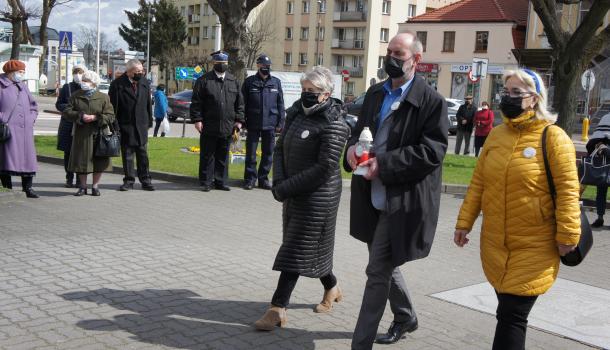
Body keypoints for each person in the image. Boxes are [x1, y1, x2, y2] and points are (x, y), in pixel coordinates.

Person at [454, 69, 581, 350]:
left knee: (512, 316)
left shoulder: (554, 137)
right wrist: (464, 223)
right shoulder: (497, 136)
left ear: (534, 99)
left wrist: (568, 236)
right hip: (496, 243)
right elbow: (478, 183)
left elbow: (568, 191)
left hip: (534, 244)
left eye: (516, 93)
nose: (507, 98)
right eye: (505, 91)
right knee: (506, 312)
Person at [344, 32, 448, 349]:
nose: (391, 58)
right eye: (388, 51)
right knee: (383, 261)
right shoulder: (375, 94)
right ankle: (405, 315)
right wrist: (350, 153)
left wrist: (384, 165)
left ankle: (359, 345)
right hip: (370, 195)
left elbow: (432, 152)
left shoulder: (431, 101)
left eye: (398, 53)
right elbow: (359, 134)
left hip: (401, 200)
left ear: (416, 59)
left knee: (377, 271)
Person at [254, 66, 349, 331]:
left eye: (313, 91)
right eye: (305, 89)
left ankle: (277, 309)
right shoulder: (296, 113)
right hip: (294, 192)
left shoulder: (335, 122)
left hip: (320, 197)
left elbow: (324, 168)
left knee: (295, 249)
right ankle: (332, 287)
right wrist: (280, 181)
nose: (307, 95)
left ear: (326, 94)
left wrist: (286, 188)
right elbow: (281, 148)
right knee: (308, 249)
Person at [189, 51, 245, 192]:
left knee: (223, 155)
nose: (222, 66)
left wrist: (239, 120)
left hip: (228, 125)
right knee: (208, 155)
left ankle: (221, 181)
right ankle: (206, 182)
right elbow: (196, 103)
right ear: (214, 64)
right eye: (219, 64)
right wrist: (197, 119)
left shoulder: (233, 81)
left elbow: (240, 104)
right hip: (209, 125)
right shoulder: (204, 80)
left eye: (224, 64)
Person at [62, 71, 116, 196]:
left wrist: (96, 117)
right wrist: (80, 115)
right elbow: (67, 112)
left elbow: (110, 116)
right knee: (82, 161)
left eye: (86, 81)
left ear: (94, 83)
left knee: (99, 162)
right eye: (83, 80)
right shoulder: (76, 96)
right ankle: (83, 186)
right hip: (81, 134)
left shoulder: (103, 97)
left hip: (99, 134)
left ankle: (95, 186)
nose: (83, 82)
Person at [109, 59, 155, 191]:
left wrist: (149, 122)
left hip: (141, 125)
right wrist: (115, 126)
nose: (141, 73)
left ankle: (146, 180)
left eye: (142, 71)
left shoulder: (144, 82)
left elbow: (147, 104)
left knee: (143, 155)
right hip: (125, 125)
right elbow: (113, 107)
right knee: (128, 155)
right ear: (128, 72)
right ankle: (129, 180)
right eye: (138, 71)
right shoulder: (117, 85)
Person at [242, 54, 285, 190]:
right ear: (258, 66)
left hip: (271, 123)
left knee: (268, 154)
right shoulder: (249, 82)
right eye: (263, 65)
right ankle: (250, 179)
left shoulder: (276, 82)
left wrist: (281, 123)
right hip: (253, 123)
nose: (266, 68)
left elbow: (280, 104)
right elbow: (242, 104)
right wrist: (242, 121)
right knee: (251, 153)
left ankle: (263, 180)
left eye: (268, 66)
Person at [0, 60, 39, 198]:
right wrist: (3, 119)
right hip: (8, 130)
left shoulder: (23, 86)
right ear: (10, 72)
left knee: (27, 159)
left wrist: (31, 118)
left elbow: (33, 105)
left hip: (26, 130)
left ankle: (28, 188)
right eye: (20, 72)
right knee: (6, 159)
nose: (22, 74)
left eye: (23, 72)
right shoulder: (1, 85)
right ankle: (7, 187)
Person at [56, 64, 86, 188]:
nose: (77, 75)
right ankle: (69, 177)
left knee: (81, 153)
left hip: (82, 124)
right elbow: (59, 104)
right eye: (75, 72)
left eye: (80, 72)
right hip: (68, 124)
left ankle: (80, 179)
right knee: (68, 153)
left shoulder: (87, 87)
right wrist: (69, 109)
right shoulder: (67, 87)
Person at [585, 114, 610, 228]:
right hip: (604, 160)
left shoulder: (605, 117)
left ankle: (600, 218)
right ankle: (600, 217)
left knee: (601, 190)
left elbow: (596, 138)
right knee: (601, 189)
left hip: (604, 159)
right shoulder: (606, 117)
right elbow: (596, 140)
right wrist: (600, 146)